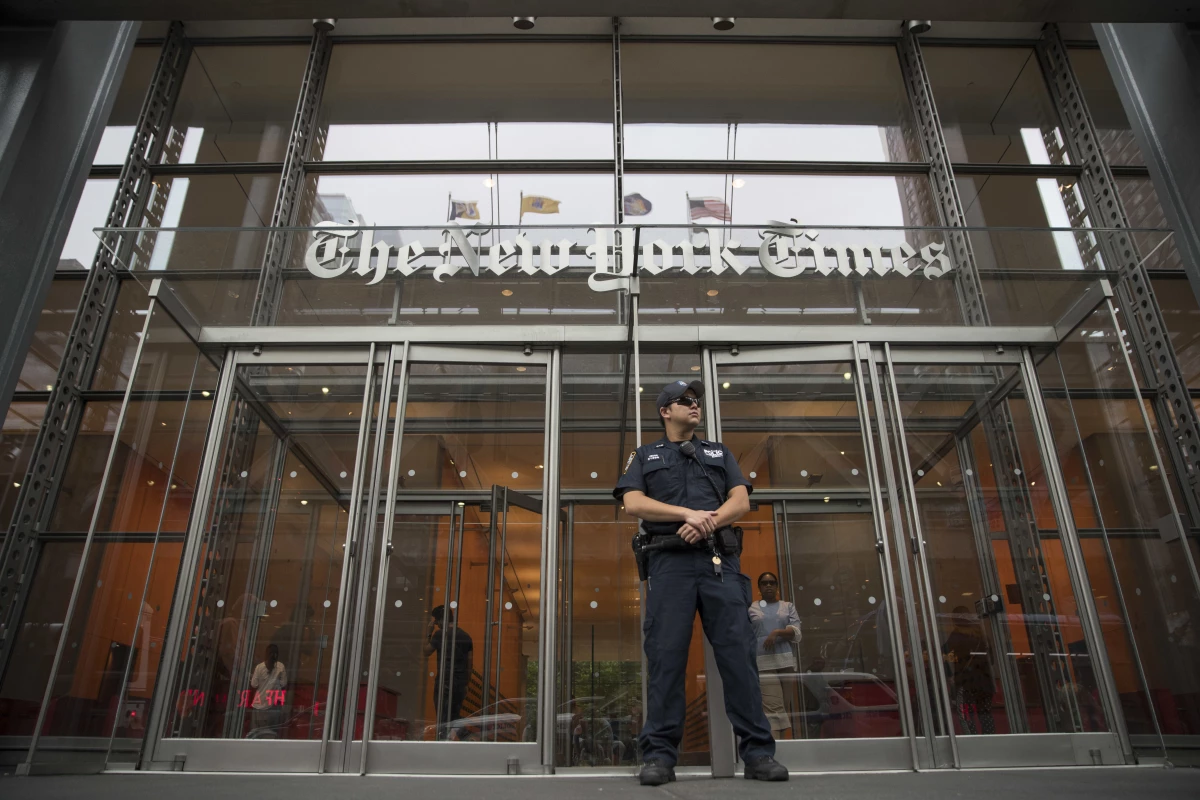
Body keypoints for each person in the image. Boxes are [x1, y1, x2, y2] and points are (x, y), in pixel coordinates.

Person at [615, 379, 788, 784]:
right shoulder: (646, 455)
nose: (695, 406)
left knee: (738, 659)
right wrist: (685, 514)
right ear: (665, 411)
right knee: (666, 659)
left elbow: (740, 500)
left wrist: (705, 520)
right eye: (685, 401)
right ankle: (659, 756)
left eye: (697, 401)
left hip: (720, 565)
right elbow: (632, 502)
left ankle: (759, 754)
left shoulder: (718, 451)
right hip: (669, 567)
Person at [748, 571, 801, 739]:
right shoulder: (752, 608)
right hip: (763, 662)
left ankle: (781, 746)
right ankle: (776, 748)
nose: (768, 585)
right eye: (764, 583)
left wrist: (777, 632)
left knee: (783, 708)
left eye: (772, 582)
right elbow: (746, 635)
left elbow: (797, 633)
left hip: (785, 661)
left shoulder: (788, 606)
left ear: (777, 586)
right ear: (759, 587)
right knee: (773, 708)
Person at [942, 605, 995, 735]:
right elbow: (991, 660)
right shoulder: (982, 636)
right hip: (985, 683)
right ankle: (990, 739)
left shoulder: (956, 635)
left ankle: (972, 740)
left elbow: (944, 654)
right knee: (986, 714)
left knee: (965, 715)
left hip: (966, 683)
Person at [423, 604, 473, 738]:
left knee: (443, 719)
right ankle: (465, 734)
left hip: (444, 682)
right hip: (460, 684)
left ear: (440, 620)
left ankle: (444, 744)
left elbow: (426, 651)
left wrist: (429, 632)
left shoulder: (440, 634)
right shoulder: (466, 636)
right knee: (454, 716)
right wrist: (466, 684)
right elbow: (470, 665)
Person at [249, 643, 287, 736]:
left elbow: (254, 685)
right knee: (268, 735)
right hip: (269, 707)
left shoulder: (260, 667)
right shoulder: (279, 667)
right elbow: (283, 684)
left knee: (258, 735)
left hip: (262, 706)